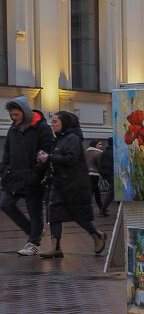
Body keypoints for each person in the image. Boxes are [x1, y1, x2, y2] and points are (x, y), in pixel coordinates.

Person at [36, 111, 105, 259]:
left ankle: (96, 235)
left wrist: (49, 157)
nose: (52, 124)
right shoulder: (59, 139)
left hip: (75, 184)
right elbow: (55, 157)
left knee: (78, 215)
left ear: (64, 123)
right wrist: (45, 158)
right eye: (52, 121)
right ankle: (55, 247)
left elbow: (71, 159)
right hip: (59, 183)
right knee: (53, 212)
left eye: (55, 122)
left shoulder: (73, 139)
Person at [2, 97, 54, 256]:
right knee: (5, 204)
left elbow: (46, 153)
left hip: (34, 177)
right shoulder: (13, 128)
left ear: (24, 112)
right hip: (14, 176)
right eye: (11, 115)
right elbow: (7, 152)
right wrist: (3, 172)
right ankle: (33, 231)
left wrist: (36, 173)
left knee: (34, 210)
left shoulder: (42, 128)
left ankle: (34, 242)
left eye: (16, 114)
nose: (13, 118)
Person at [85, 139, 104, 214]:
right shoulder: (98, 153)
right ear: (95, 145)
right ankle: (101, 208)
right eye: (99, 144)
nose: (101, 146)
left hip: (87, 174)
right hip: (94, 174)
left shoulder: (86, 152)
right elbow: (100, 165)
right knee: (94, 192)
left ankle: (102, 208)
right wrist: (103, 174)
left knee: (95, 191)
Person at [98, 138, 114, 216]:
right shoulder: (114, 152)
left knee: (114, 191)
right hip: (112, 174)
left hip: (106, 174)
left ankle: (121, 209)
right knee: (112, 191)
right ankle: (103, 209)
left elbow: (100, 163)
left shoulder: (105, 152)